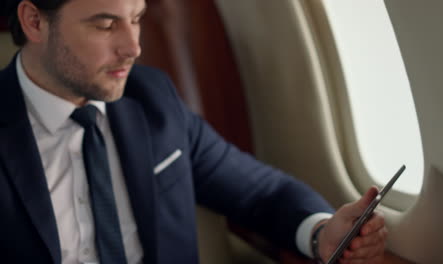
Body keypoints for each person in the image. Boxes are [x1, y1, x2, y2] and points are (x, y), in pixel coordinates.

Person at [0, 0, 387, 263]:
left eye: (137, 19)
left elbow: (261, 191)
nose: (133, 47)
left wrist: (322, 232)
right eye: (105, 25)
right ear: (35, 21)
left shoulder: (153, 100)